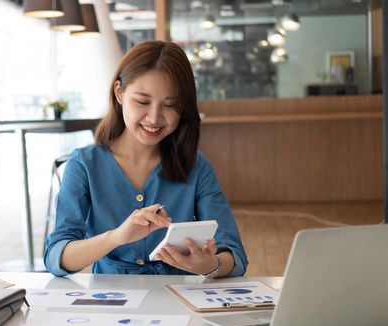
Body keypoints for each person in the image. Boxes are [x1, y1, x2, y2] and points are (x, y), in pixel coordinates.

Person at [44, 40, 247, 277]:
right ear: (119, 92)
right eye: (142, 102)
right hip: (113, 301)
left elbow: (234, 254)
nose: (154, 118)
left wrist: (212, 265)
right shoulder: (84, 165)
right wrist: (116, 237)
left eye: (170, 105)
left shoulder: (197, 166)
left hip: (180, 298)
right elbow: (57, 256)